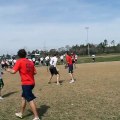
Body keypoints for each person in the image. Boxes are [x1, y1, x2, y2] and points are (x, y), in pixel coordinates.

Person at [7, 49, 40, 120]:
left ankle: (36, 117)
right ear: (25, 54)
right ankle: (21, 113)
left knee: (30, 99)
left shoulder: (20, 61)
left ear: (19, 55)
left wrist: (8, 70)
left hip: (26, 84)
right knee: (23, 98)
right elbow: (35, 72)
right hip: (32, 83)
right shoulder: (30, 62)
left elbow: (13, 71)